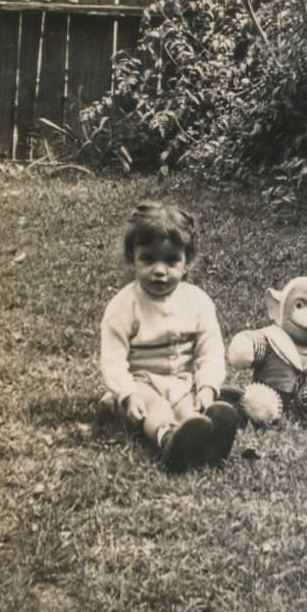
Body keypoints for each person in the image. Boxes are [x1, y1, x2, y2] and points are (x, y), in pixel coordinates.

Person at [99, 200, 238, 472]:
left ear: (187, 261)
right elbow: (113, 358)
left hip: (182, 380)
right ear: (132, 258)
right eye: (148, 259)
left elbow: (210, 350)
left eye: (171, 260)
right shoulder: (124, 305)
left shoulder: (198, 301)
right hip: (142, 382)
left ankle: (208, 437)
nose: (160, 270)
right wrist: (126, 393)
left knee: (189, 410)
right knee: (158, 408)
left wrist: (208, 385)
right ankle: (169, 440)